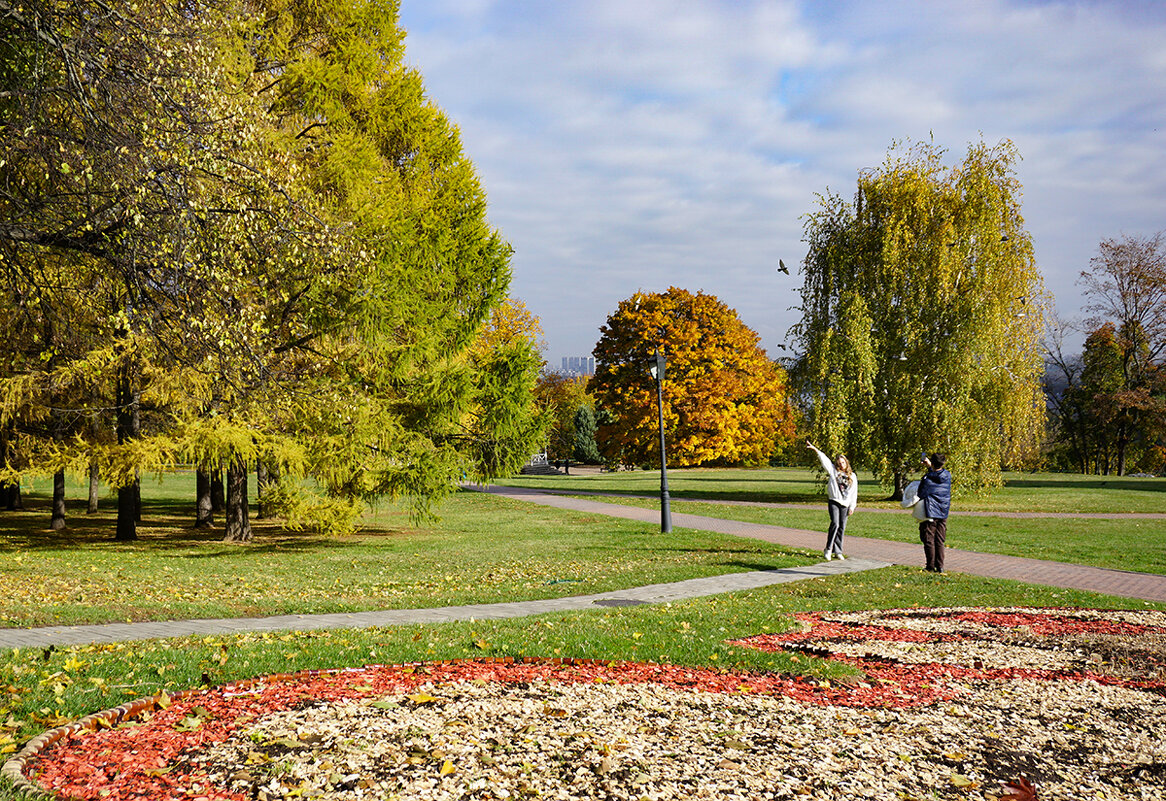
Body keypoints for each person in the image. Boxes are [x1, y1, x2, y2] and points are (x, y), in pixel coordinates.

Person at [806, 440, 858, 561]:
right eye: (839, 462)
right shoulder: (833, 471)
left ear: (846, 463)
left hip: (845, 504)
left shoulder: (853, 476)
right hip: (834, 501)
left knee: (842, 527)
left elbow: (854, 493)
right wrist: (815, 449)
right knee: (835, 523)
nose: (841, 464)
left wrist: (852, 507)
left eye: (843, 462)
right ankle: (828, 549)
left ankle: (838, 551)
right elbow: (824, 460)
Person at [916, 452, 951, 572]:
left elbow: (921, 493)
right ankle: (940, 566)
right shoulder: (947, 475)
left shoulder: (928, 479)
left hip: (930, 510)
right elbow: (938, 472)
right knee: (940, 539)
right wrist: (930, 466)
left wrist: (929, 470)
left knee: (929, 539)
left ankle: (930, 566)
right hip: (943, 510)